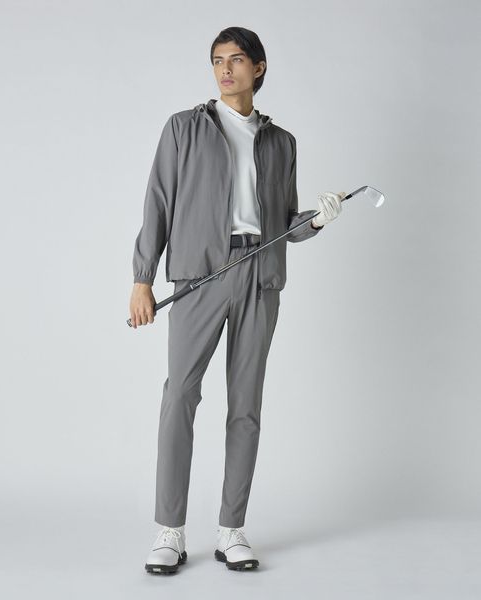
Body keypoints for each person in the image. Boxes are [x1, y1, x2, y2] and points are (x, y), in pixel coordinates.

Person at [130, 26, 344, 575]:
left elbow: (285, 223)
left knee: (245, 404)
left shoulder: (281, 142)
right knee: (180, 395)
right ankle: (170, 530)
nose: (225, 70)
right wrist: (142, 278)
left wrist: (316, 219)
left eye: (237, 60)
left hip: (260, 275)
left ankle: (231, 530)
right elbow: (158, 202)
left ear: (259, 68)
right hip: (200, 274)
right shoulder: (184, 128)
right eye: (217, 60)